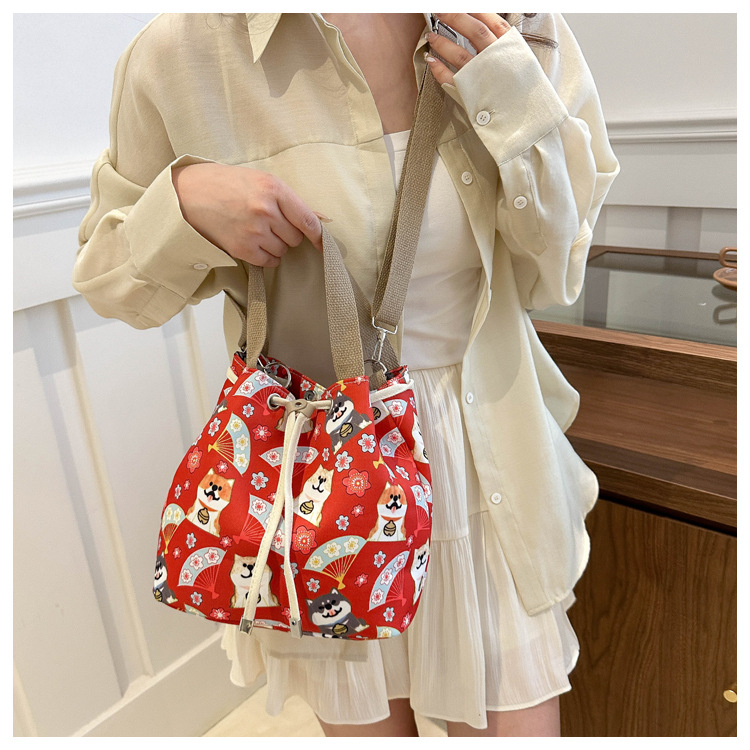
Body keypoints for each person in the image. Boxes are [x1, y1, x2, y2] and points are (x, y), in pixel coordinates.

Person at [73, 12, 620, 737]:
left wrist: (512, 101)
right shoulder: (181, 53)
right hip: (319, 483)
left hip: (492, 468)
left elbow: (559, 268)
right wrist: (185, 204)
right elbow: (108, 280)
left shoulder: (515, 22)